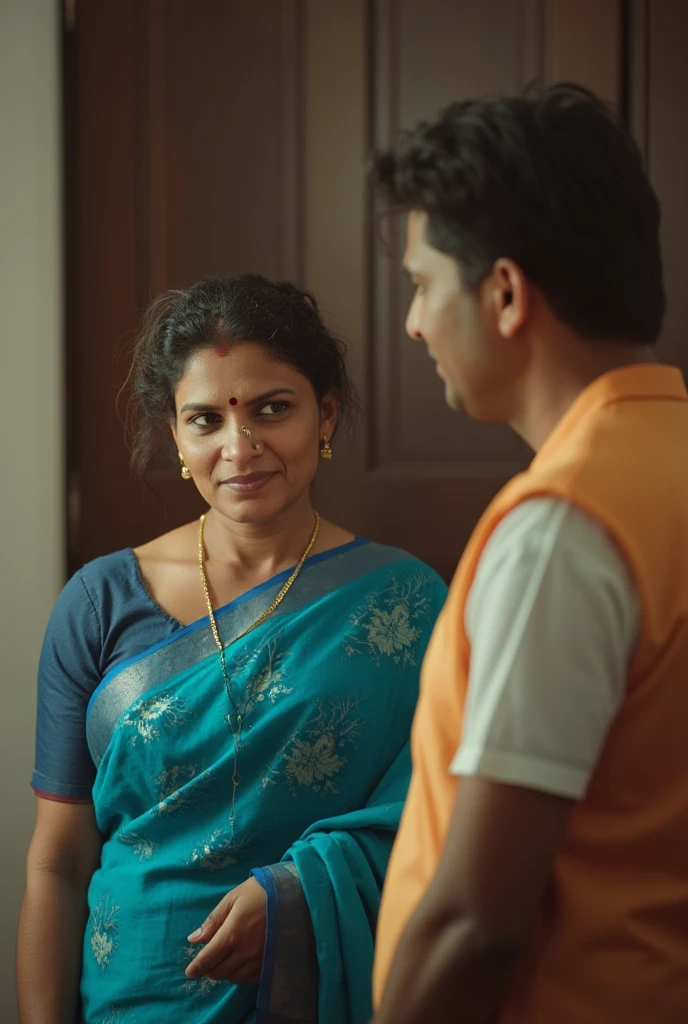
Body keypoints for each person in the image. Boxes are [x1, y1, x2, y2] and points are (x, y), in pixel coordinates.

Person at [16, 273, 447, 1024]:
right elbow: (57, 862)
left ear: (327, 415)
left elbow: (443, 818)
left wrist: (299, 897)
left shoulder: (403, 603)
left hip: (324, 990)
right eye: (205, 419)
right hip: (131, 997)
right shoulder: (99, 603)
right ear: (178, 437)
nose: (238, 448)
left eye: (272, 409)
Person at [370, 84, 688, 1024]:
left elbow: (478, 921)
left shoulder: (564, 529)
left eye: (423, 284)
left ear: (505, 294)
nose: (414, 324)